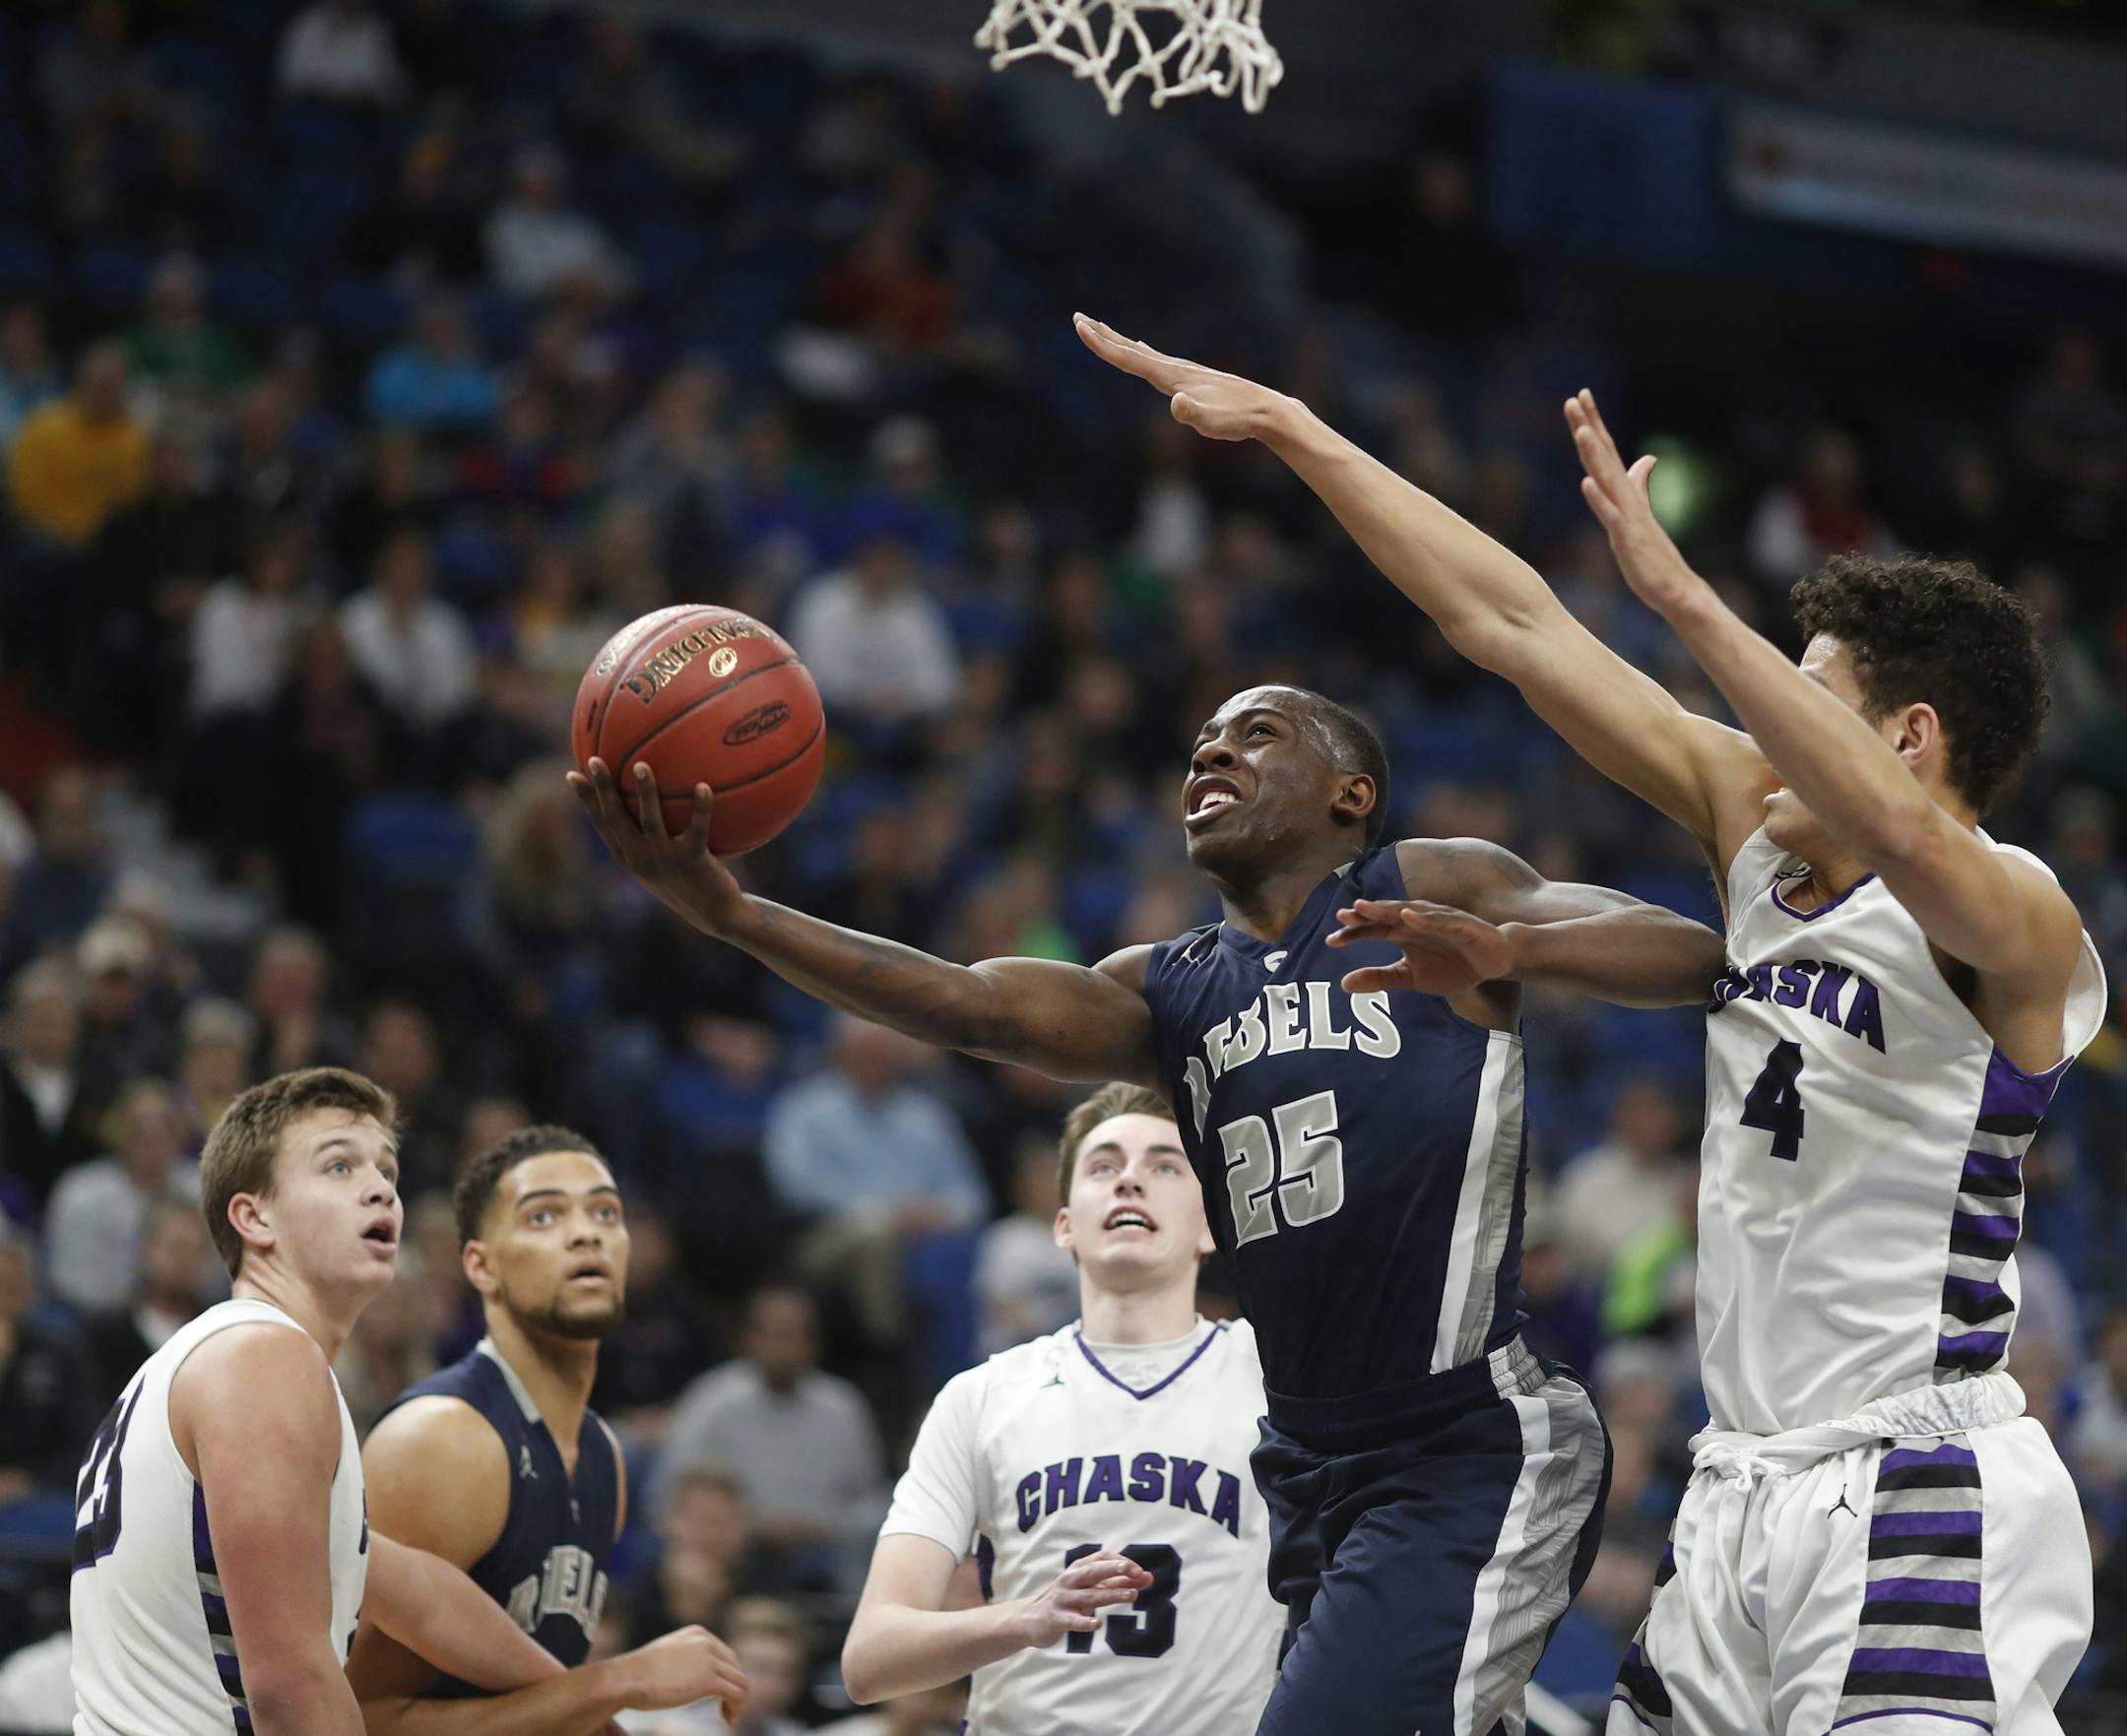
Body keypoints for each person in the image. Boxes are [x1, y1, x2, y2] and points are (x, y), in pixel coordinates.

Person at [1071, 316, 2107, 1736]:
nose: (1761, 732)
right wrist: (1304, 436)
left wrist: (1683, 598)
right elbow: (1509, 622)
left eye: (1807, 697)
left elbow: (1911, 843)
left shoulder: (2019, 917)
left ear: (1908, 734)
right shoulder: (1762, 848)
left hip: (1915, 1482)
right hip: (1737, 1489)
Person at [569, 635, 1729, 1732]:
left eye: (1258, 734)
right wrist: (733, 914)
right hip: (1311, 1462)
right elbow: (968, 1000)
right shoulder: (1171, 988)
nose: (1212, 754)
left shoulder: (1426, 885)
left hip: (1465, 1435)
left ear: (1350, 793)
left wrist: (1510, 952)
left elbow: (1694, 956)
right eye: (1201, 747)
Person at [68, 1066, 636, 1736]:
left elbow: (422, 1597)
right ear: (254, 1217)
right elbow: (290, 1685)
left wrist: (598, 1696)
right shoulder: (264, 1359)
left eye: (388, 1171)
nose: (381, 1190)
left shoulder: (211, 1360)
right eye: (339, 1166)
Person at [842, 1083, 1284, 1734]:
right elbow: (869, 1658)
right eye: (1104, 1166)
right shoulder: (982, 1395)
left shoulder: (1280, 1376)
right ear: (1064, 1223)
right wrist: (1023, 1617)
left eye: (1164, 1165)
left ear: (1210, 1225)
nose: (1130, 1179)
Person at [349, 1123, 747, 1732]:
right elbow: (355, 1723)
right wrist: (623, 1679)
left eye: (607, 1213)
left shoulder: (600, 1453)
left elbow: (541, 1702)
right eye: (543, 1217)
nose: (587, 1232)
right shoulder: (440, 1442)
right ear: (480, 1266)